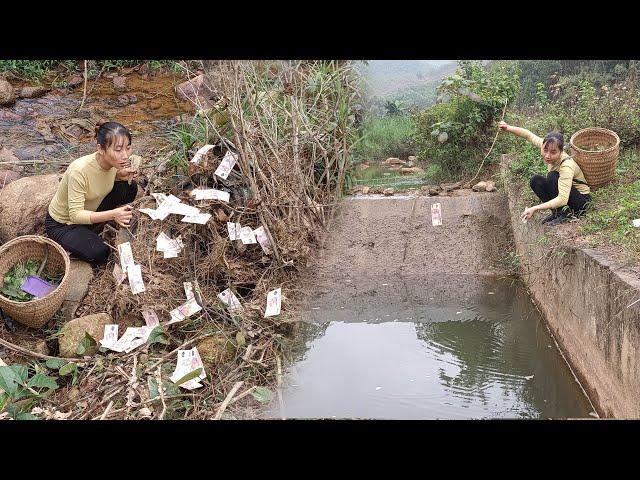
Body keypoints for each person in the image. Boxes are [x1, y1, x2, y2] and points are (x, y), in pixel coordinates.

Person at [45, 121, 139, 263]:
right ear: (100, 149)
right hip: (64, 224)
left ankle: (92, 228)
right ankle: (76, 242)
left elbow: (102, 178)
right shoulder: (79, 171)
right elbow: (75, 215)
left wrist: (119, 176)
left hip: (91, 207)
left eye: (128, 148)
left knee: (129, 187)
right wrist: (113, 215)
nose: (125, 155)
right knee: (101, 252)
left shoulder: (113, 163)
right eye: (118, 149)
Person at [498, 121, 591, 226]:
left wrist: (535, 208)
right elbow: (528, 135)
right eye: (545, 150)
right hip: (566, 194)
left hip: (581, 202)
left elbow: (562, 199)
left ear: (561, 151)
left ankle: (566, 214)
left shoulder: (567, 165)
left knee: (552, 176)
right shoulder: (548, 144)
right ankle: (557, 212)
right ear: (542, 146)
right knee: (535, 180)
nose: (547, 155)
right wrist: (507, 127)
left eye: (553, 152)